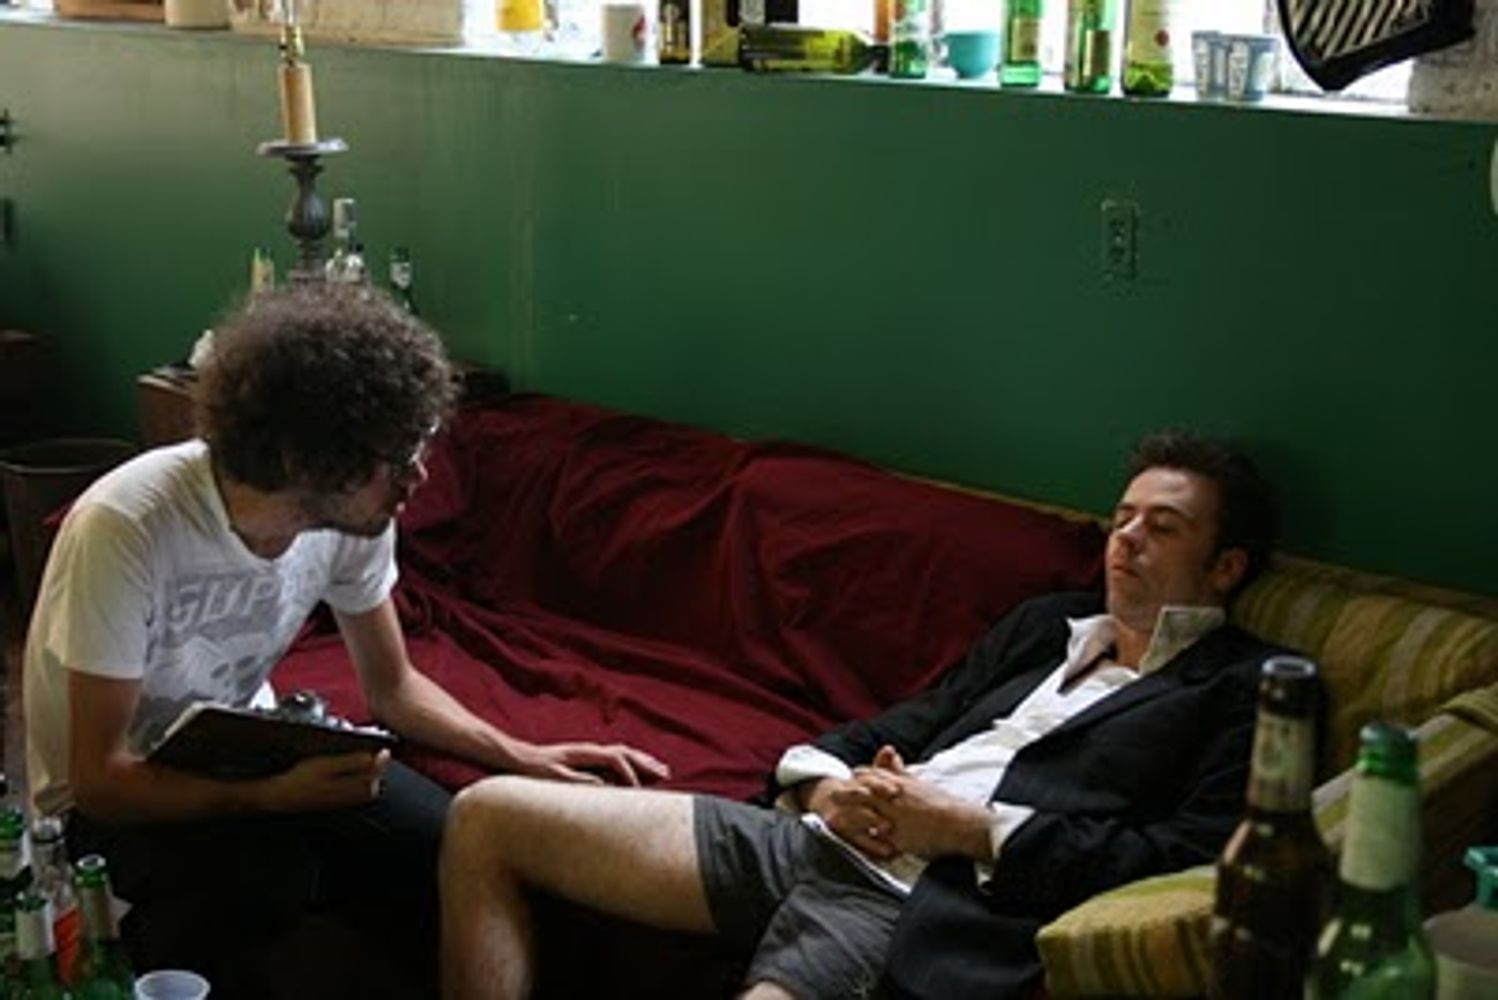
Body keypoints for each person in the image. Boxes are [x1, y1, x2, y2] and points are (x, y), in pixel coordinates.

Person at [439, 430, 1288, 1000]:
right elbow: (915, 718)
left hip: (915, 894)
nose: (1126, 538)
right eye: (1122, 517)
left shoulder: (1246, 686)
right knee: (485, 816)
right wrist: (822, 787)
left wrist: (967, 829)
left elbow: (1182, 857)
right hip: (818, 833)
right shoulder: (1048, 625)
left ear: (1226, 568)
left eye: (1162, 528)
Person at [22, 284, 668, 997]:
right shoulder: (128, 526)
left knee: (450, 845)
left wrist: (523, 756)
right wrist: (269, 798)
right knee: (258, 883)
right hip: (112, 798)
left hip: (248, 746)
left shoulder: (350, 519)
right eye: (397, 457)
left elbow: (393, 688)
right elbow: (100, 780)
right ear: (309, 460)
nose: (419, 476)